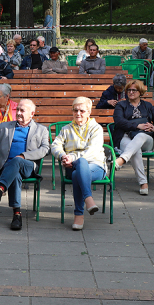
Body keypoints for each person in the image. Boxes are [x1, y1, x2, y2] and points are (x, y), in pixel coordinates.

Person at [0, 99, 49, 230]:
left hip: (28, 166)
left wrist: (25, 156)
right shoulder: (5, 127)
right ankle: (17, 215)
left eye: (22, 110)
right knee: (16, 175)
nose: (18, 113)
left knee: (17, 161)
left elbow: (45, 149)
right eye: (17, 109)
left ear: (32, 114)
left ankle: (0, 188)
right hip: (7, 168)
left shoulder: (41, 130)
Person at [50, 97, 107, 230]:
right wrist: (63, 156)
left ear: (89, 112)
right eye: (75, 110)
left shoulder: (96, 128)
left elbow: (92, 152)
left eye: (82, 110)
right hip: (71, 165)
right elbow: (55, 146)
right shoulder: (66, 129)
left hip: (96, 166)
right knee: (78, 168)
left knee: (78, 171)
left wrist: (73, 157)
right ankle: (88, 199)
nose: (78, 113)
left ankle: (79, 214)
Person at [112, 80, 154, 195]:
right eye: (129, 90)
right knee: (135, 150)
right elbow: (119, 122)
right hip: (125, 136)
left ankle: (121, 160)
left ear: (140, 92)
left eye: (134, 90)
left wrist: (153, 128)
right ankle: (143, 183)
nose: (131, 92)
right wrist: (137, 125)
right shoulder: (121, 105)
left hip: (146, 139)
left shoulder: (147, 106)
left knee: (140, 135)